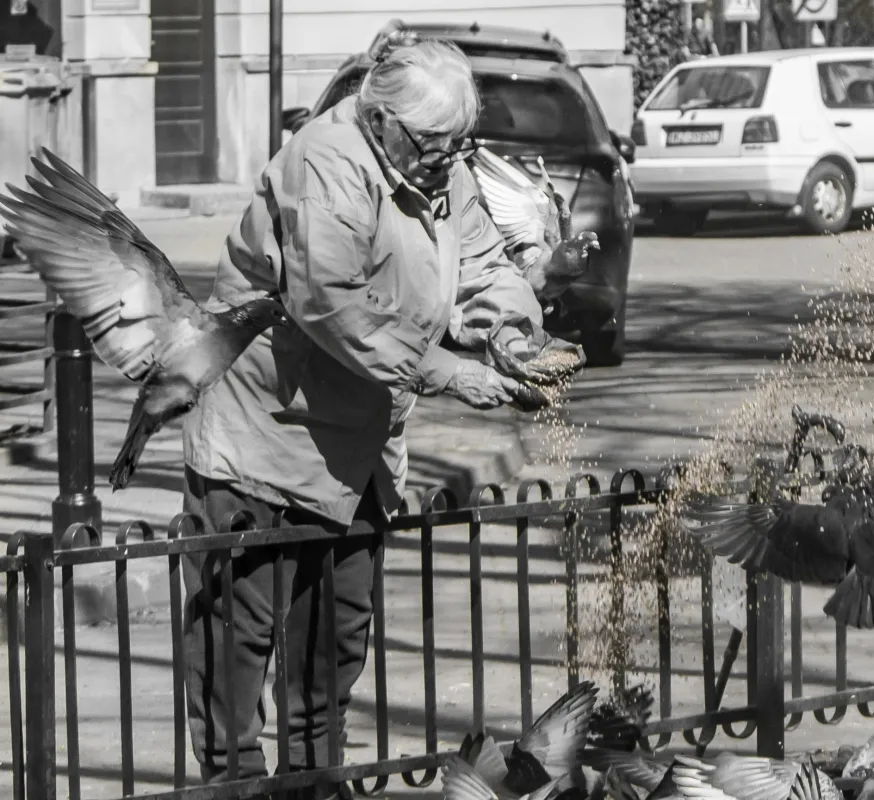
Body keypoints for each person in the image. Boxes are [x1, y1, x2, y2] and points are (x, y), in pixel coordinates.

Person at [179, 26, 577, 800]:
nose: (446, 160)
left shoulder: (438, 166)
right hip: (261, 446)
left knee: (331, 654)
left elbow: (484, 264)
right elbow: (331, 304)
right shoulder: (325, 164)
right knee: (236, 662)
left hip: (357, 454)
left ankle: (318, 787)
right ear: (380, 119)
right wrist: (449, 372)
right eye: (433, 144)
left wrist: (515, 337)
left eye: (459, 145)